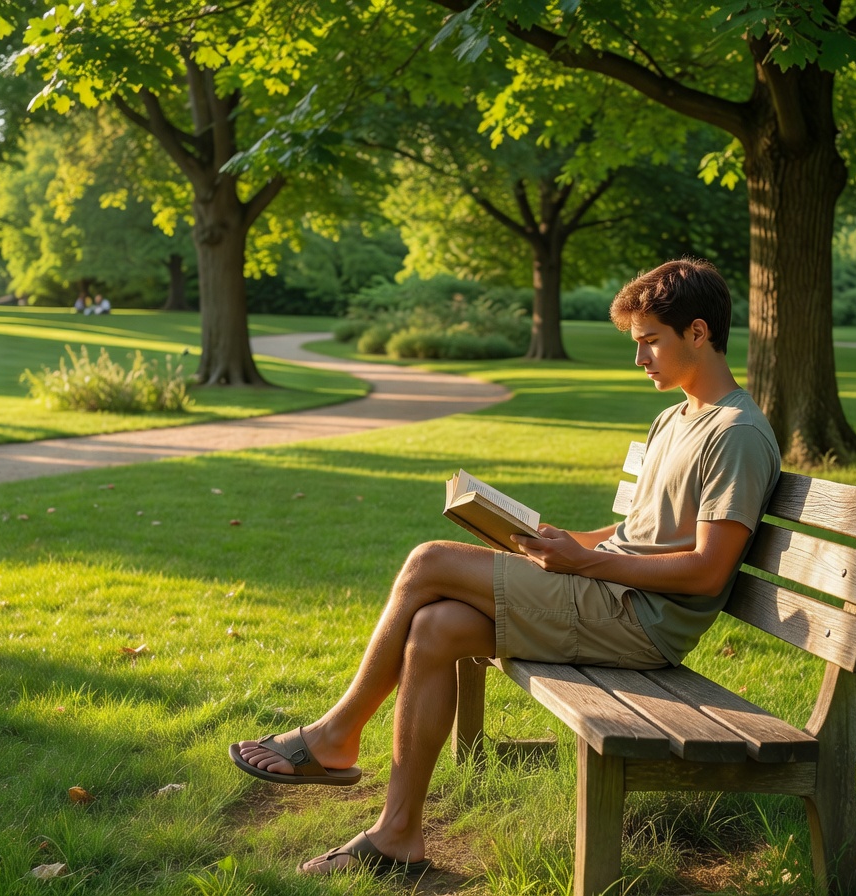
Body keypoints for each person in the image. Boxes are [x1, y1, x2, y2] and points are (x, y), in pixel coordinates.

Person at [228, 258, 782, 877]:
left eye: (651, 342)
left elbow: (708, 571)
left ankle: (335, 736)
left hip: (641, 622)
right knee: (436, 626)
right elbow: (636, 535)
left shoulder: (736, 433)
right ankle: (397, 836)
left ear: (699, 333)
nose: (640, 358)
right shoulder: (676, 416)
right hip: (608, 594)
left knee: (427, 562)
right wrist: (564, 541)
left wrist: (586, 563)